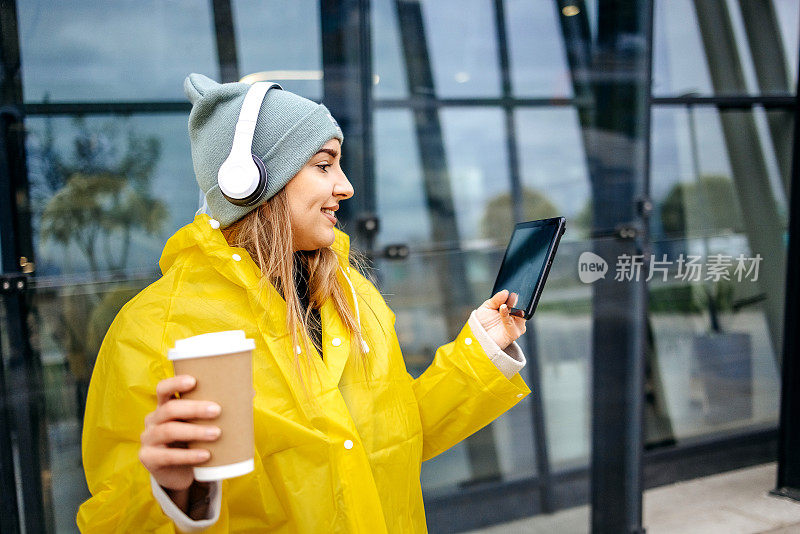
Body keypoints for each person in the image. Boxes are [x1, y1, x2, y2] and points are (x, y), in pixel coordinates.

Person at [77, 73, 531, 533]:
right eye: (323, 165)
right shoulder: (153, 331)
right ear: (248, 180)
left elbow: (399, 434)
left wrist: (482, 350)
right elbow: (113, 519)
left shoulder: (353, 294)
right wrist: (174, 495)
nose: (346, 186)